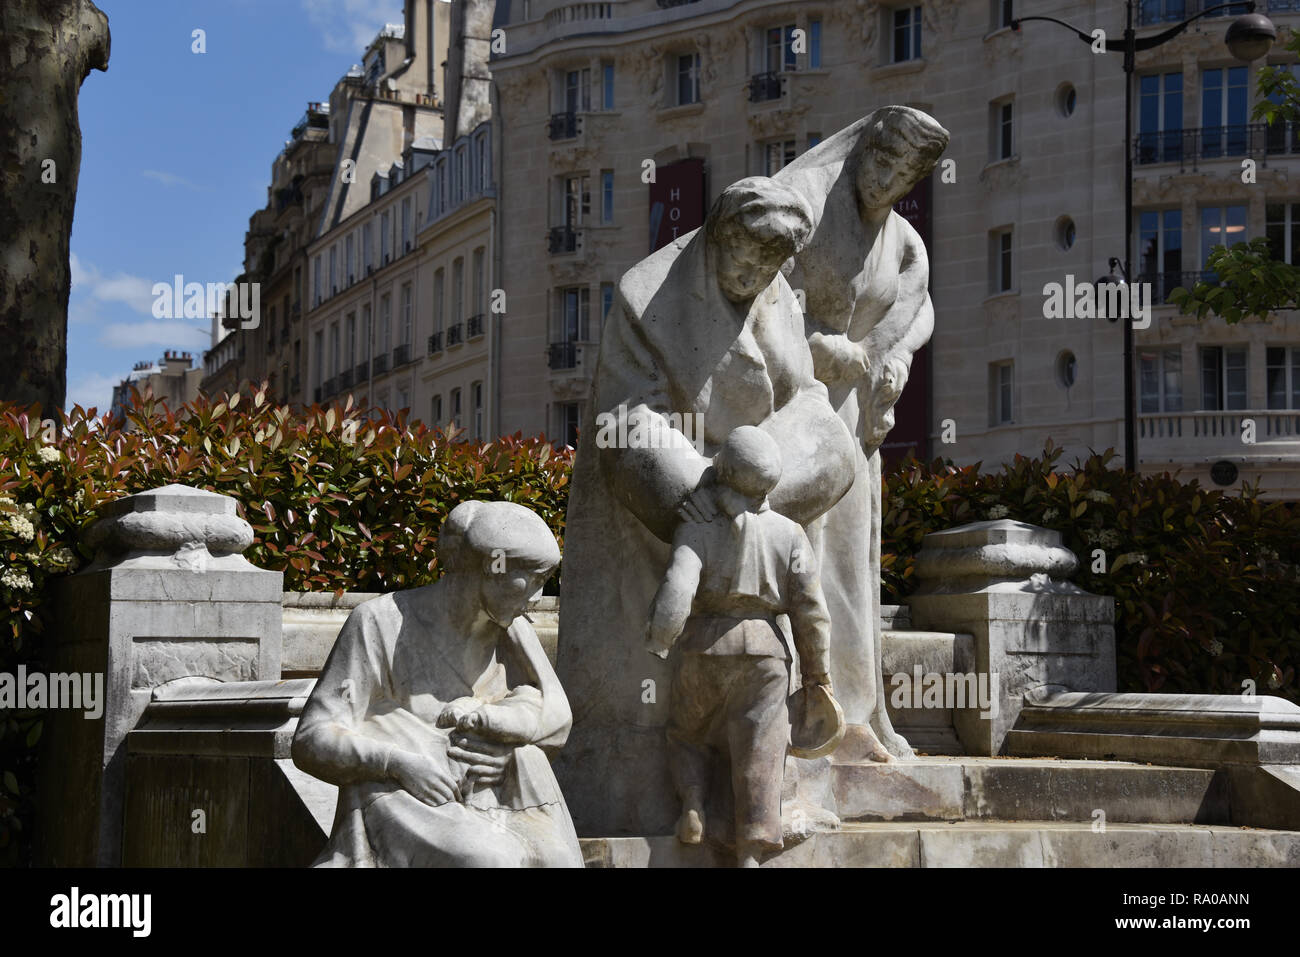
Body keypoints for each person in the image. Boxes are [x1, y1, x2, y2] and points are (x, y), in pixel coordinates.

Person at [555, 176, 857, 836]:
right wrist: (710, 488)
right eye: (742, 258)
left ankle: (754, 799)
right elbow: (625, 422)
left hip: (758, 474)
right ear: (714, 238)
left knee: (839, 448)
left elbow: (804, 395)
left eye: (767, 263)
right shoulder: (646, 293)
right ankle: (719, 799)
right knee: (692, 502)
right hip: (677, 470)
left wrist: (766, 475)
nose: (753, 274)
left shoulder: (781, 297)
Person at [776, 107, 949, 761]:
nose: (888, 180)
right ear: (860, 153)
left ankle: (856, 711)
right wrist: (822, 346)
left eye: (904, 174)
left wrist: (896, 355)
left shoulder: (903, 241)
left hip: (854, 420)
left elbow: (918, 307)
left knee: (851, 566)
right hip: (798, 408)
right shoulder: (813, 210)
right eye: (882, 162)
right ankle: (800, 713)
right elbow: (767, 296)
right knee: (802, 559)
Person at [292, 500, 583, 867]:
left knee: (558, 860)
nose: (539, 597)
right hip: (406, 797)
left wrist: (509, 758)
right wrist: (395, 763)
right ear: (491, 568)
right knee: (489, 859)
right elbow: (310, 738)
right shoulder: (379, 622)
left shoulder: (514, 631)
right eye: (534, 579)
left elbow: (557, 719)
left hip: (495, 800)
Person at [646, 426, 833, 867]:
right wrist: (817, 675)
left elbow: (677, 590)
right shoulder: (789, 533)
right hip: (766, 653)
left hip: (702, 646)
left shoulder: (696, 526)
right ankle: (750, 855)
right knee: (761, 754)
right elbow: (812, 613)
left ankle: (693, 804)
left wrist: (660, 638)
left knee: (686, 733)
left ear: (722, 470)